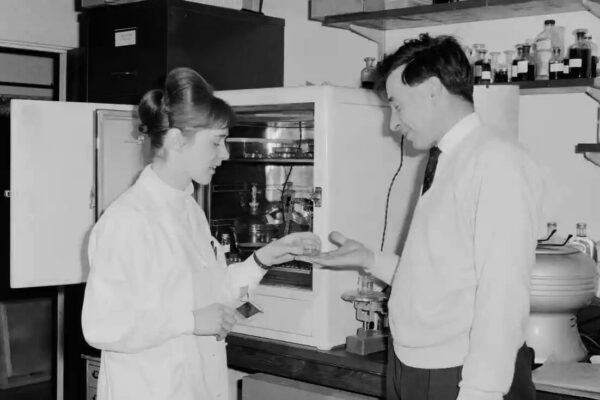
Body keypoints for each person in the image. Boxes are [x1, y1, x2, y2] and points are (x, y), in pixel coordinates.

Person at [301, 34, 543, 400]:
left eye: (397, 105)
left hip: (462, 375)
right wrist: (370, 260)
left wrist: (481, 392)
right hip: (416, 365)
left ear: (432, 90)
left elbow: (503, 294)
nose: (393, 124)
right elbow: (444, 276)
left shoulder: (496, 161)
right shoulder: (448, 159)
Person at [81, 67, 320, 400]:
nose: (224, 154)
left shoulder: (189, 210)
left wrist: (263, 259)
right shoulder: (128, 220)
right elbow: (102, 326)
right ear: (178, 140)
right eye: (216, 142)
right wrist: (190, 320)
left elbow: (214, 298)